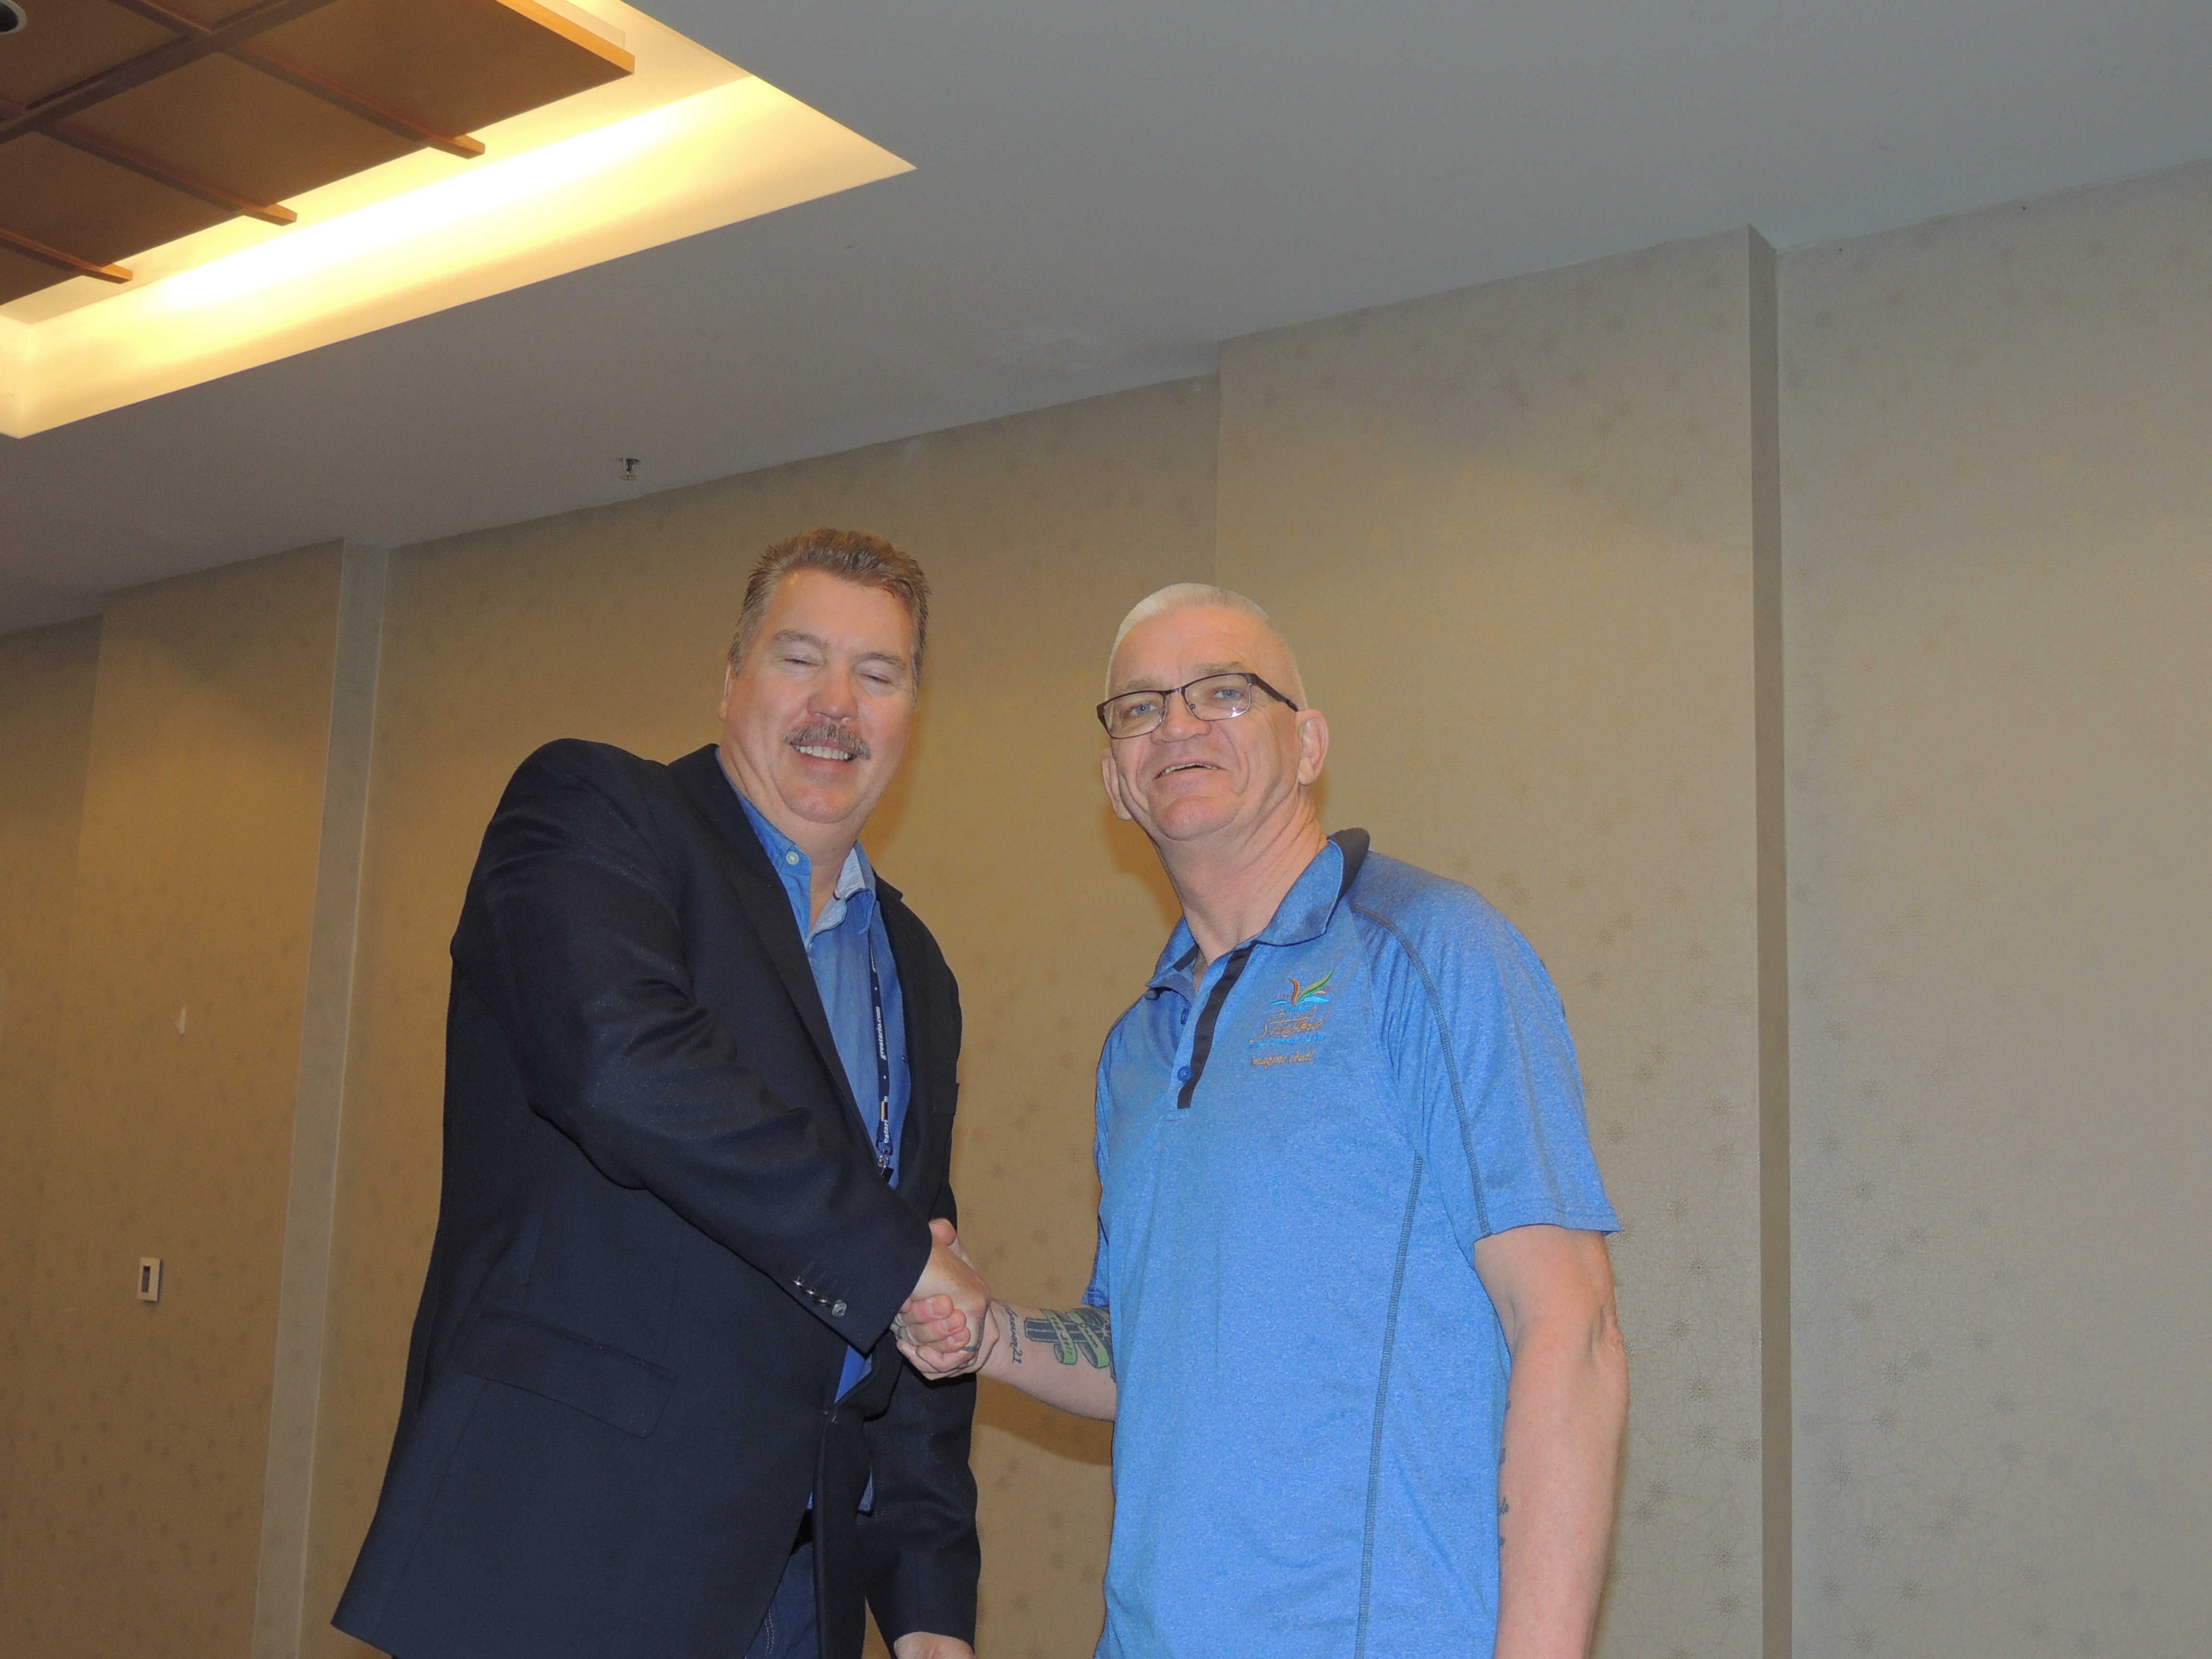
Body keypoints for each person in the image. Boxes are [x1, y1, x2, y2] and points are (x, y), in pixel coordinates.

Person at [900, 584, 1629, 1659]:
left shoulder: (1433, 951)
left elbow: (1571, 1326)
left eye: (1226, 692)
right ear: (1115, 779)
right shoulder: (1135, 1050)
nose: (1178, 724)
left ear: (1309, 745)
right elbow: (1140, 1352)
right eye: (1140, 707)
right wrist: (987, 1333)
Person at [336, 529, 990, 1659]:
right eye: (800, 659)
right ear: (731, 678)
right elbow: (624, 1064)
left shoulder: (917, 968)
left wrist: (929, 1599)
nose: (837, 705)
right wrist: (898, 1261)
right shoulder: (596, 812)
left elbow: (920, 1260)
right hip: (568, 1559)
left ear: (911, 715)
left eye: (877, 675)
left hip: (799, 1593)